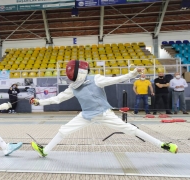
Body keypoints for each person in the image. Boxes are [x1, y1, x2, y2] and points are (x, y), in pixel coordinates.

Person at [29, 60, 178, 158]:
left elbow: (116, 79)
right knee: (63, 130)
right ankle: (45, 151)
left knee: (131, 130)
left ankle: (164, 145)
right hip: (86, 115)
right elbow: (57, 98)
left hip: (104, 114)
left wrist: (133, 73)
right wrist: (39, 102)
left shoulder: (96, 79)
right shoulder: (73, 87)